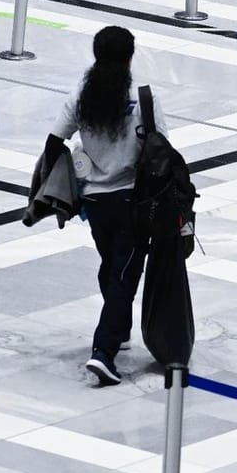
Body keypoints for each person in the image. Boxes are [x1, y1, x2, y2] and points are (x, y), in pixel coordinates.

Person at [52, 25, 158, 386]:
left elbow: (54, 142)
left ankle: (120, 328)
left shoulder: (82, 95)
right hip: (131, 199)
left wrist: (66, 188)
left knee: (112, 264)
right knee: (125, 276)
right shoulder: (142, 98)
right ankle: (104, 353)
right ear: (130, 57)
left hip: (94, 201)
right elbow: (160, 150)